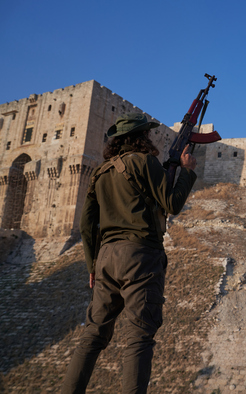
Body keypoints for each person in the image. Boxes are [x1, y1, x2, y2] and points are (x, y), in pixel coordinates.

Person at [62, 113, 197, 393]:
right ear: (141, 137)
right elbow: (171, 204)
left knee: (92, 336)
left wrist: (92, 265)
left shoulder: (99, 173)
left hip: (105, 261)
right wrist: (187, 171)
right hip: (140, 257)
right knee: (138, 338)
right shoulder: (144, 162)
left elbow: (87, 225)